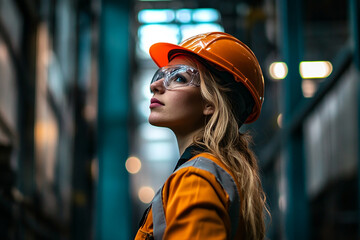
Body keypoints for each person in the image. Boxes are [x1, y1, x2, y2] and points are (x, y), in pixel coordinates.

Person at [135, 32, 269, 240]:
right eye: (160, 75)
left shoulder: (195, 179)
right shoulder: (216, 173)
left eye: (179, 78)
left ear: (211, 103)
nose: (155, 85)